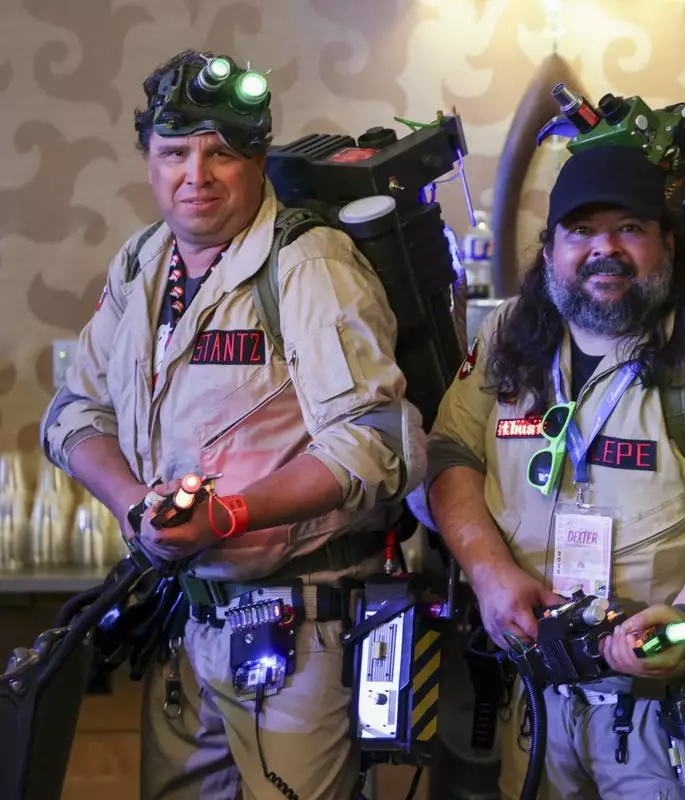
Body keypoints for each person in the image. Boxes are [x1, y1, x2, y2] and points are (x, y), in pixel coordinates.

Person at [39, 49, 423, 800]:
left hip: (302, 627)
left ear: (259, 161)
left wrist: (231, 514)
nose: (196, 176)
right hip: (187, 619)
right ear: (147, 160)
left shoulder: (309, 264)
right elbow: (75, 413)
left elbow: (375, 442)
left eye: (221, 154)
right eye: (174, 153)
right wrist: (135, 507)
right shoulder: (141, 262)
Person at [425, 144, 685, 799]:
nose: (605, 250)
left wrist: (684, 619)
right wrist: (490, 576)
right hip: (539, 704)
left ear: (669, 247)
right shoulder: (509, 341)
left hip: (668, 719)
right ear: (550, 252)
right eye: (582, 232)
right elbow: (451, 457)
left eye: (629, 230)